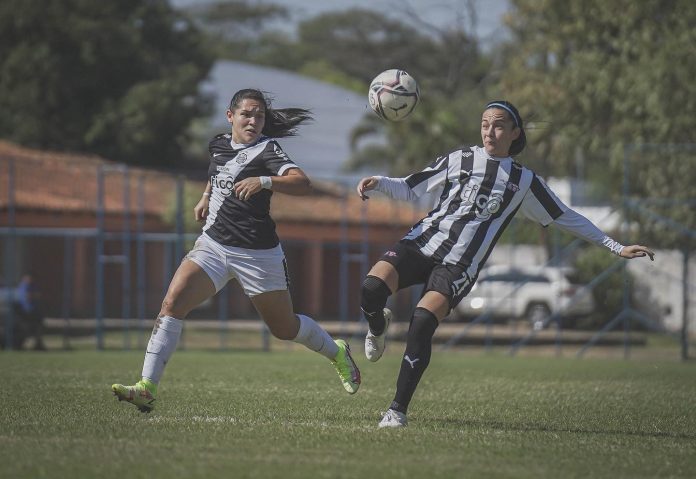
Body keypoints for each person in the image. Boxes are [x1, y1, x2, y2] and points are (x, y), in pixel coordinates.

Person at [356, 100, 655, 428]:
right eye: (485, 124)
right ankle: (377, 327)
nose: (490, 131)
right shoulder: (462, 158)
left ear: (514, 133)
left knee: (422, 322)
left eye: (498, 125)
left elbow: (565, 217)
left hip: (459, 266)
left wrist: (616, 246)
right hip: (419, 244)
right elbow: (411, 186)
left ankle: (397, 410)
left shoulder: (524, 181)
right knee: (371, 289)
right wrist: (379, 182)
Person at [112, 88, 360, 413]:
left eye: (259, 116)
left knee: (284, 329)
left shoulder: (268, 150)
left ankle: (337, 351)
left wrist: (266, 182)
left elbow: (302, 183)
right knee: (172, 304)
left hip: (258, 254)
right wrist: (205, 196)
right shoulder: (218, 144)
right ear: (230, 116)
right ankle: (146, 387)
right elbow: (218, 173)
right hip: (213, 246)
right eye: (247, 114)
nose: (253, 120)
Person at [14, 274, 46, 351]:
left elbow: (37, 296)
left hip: (30, 316)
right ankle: (37, 344)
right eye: (28, 278)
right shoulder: (23, 288)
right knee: (30, 327)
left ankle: (38, 344)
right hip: (23, 317)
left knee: (38, 325)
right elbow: (27, 300)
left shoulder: (31, 287)